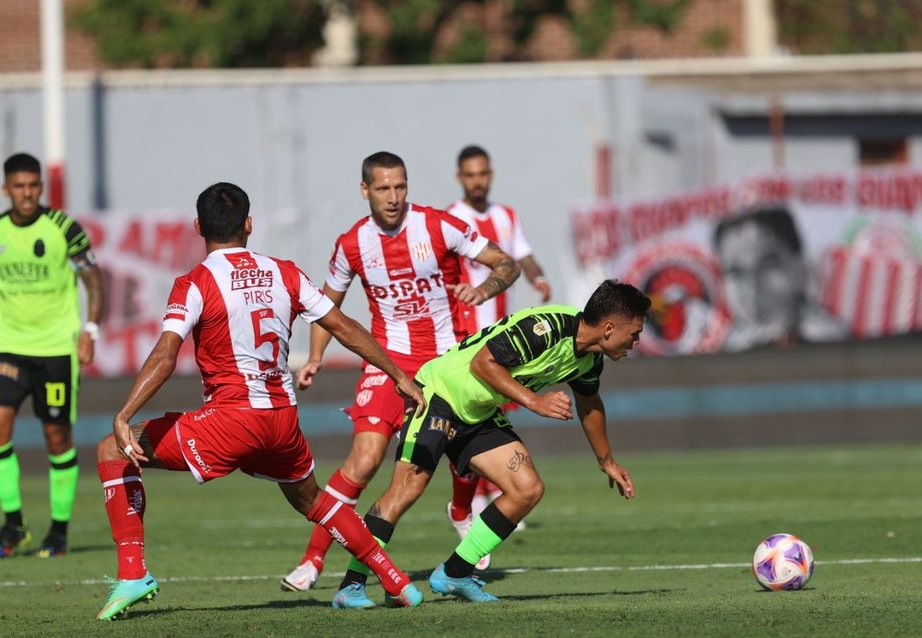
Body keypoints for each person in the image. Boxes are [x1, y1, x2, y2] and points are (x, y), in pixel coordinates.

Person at [93, 182, 427, 621]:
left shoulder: (195, 282)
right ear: (248, 225)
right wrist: (398, 374)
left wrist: (125, 413)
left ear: (198, 227)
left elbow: (166, 352)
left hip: (231, 420)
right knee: (311, 499)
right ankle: (395, 579)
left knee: (112, 448)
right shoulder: (284, 272)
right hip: (282, 422)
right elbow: (343, 325)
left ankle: (134, 574)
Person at [278, 151, 520, 598]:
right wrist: (313, 357)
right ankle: (313, 559)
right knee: (365, 460)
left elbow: (507, 264)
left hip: (447, 364)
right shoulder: (351, 243)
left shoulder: (438, 226)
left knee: (465, 456)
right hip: (387, 362)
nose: (393, 197)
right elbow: (325, 307)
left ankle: (461, 510)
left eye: (400, 187)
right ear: (365, 190)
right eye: (384, 188)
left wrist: (481, 289)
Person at [328, 280, 649, 606]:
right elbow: (482, 363)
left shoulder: (590, 360)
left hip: (477, 411)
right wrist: (534, 402)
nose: (635, 342)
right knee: (407, 489)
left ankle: (455, 572)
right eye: (633, 334)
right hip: (439, 395)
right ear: (609, 327)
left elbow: (590, 403)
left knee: (527, 488)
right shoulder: (546, 328)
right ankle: (351, 585)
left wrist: (606, 460)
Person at [0, 152, 104, 559]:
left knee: (56, 438)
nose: (27, 194)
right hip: (8, 345)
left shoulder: (64, 228)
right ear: (6, 189)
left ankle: (58, 532)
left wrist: (90, 331)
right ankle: (13, 525)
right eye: (20, 186)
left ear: (41, 187)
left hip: (56, 349)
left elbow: (94, 281)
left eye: (34, 185)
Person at [446, 144, 553, 559]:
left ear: (491, 174)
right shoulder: (451, 218)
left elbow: (520, 255)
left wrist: (539, 277)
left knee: (495, 414)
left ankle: (493, 494)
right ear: (460, 177)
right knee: (472, 414)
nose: (478, 181)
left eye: (483, 173)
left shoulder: (506, 216)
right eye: (470, 175)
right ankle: (475, 500)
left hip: (502, 336)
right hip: (464, 334)